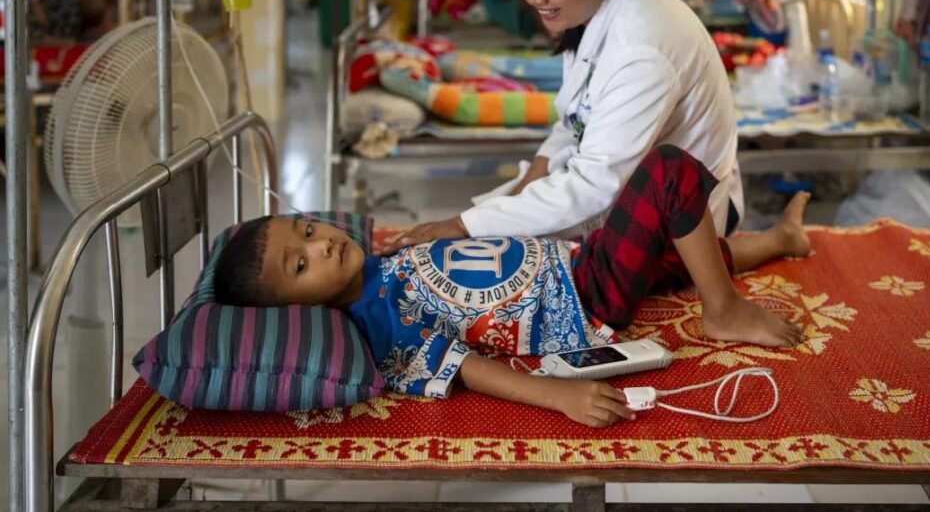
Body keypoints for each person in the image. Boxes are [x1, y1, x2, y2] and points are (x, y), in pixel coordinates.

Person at [214, 146, 809, 428]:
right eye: (301, 265)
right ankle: (723, 311)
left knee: (679, 255)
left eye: (309, 228)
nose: (320, 243)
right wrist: (559, 395)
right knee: (668, 171)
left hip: (575, 263)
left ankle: (781, 241)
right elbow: (465, 365)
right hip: (585, 300)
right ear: (295, 311)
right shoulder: (380, 324)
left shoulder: (378, 261)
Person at [383, 0, 743, 255]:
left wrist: (465, 225)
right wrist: (522, 188)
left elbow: (594, 184)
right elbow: (574, 121)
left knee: (526, 264)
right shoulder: (591, 8)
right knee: (497, 228)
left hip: (693, 224)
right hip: (624, 183)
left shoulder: (641, 49)